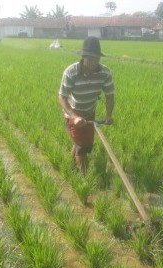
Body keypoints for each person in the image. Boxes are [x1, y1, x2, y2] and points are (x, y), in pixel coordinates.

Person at [58, 36, 115, 175]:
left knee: (86, 145)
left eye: (96, 58)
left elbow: (109, 95)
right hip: (73, 113)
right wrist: (74, 117)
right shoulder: (71, 72)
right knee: (82, 147)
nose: (93, 62)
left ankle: (71, 165)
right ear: (83, 56)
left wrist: (108, 115)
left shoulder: (105, 73)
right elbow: (62, 97)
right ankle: (84, 180)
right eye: (89, 58)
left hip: (90, 113)